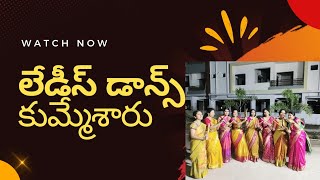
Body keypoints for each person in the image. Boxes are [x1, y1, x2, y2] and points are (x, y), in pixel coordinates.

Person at [190, 110, 208, 178]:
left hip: (202, 143)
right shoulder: (193, 124)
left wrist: (206, 135)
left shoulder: (203, 125)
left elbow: (205, 133)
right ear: (195, 116)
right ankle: (197, 174)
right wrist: (202, 138)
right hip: (196, 143)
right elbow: (192, 135)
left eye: (201, 114)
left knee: (203, 158)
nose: (201, 115)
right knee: (197, 158)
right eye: (198, 114)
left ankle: (202, 172)